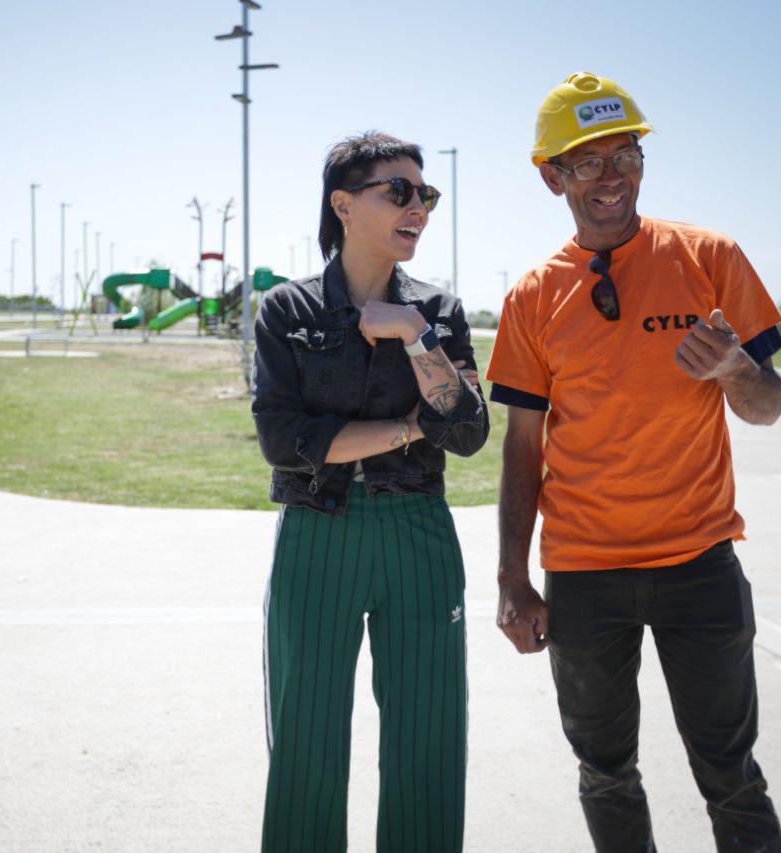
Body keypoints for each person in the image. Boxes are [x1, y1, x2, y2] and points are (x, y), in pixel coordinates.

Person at [488, 72, 781, 852]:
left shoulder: (709, 258)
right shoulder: (531, 298)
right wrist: (512, 578)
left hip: (700, 563)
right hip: (584, 574)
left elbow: (769, 404)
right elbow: (523, 448)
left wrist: (735, 370)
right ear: (552, 177)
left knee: (733, 772)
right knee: (604, 769)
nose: (611, 176)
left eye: (625, 154)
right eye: (587, 162)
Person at [252, 131, 489, 852]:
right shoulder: (287, 312)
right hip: (319, 532)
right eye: (400, 191)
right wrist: (410, 425)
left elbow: (470, 431)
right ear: (344, 204)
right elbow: (286, 442)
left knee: (429, 740)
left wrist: (416, 337)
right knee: (307, 740)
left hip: (419, 533)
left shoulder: (438, 311)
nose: (418, 206)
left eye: (426, 195)